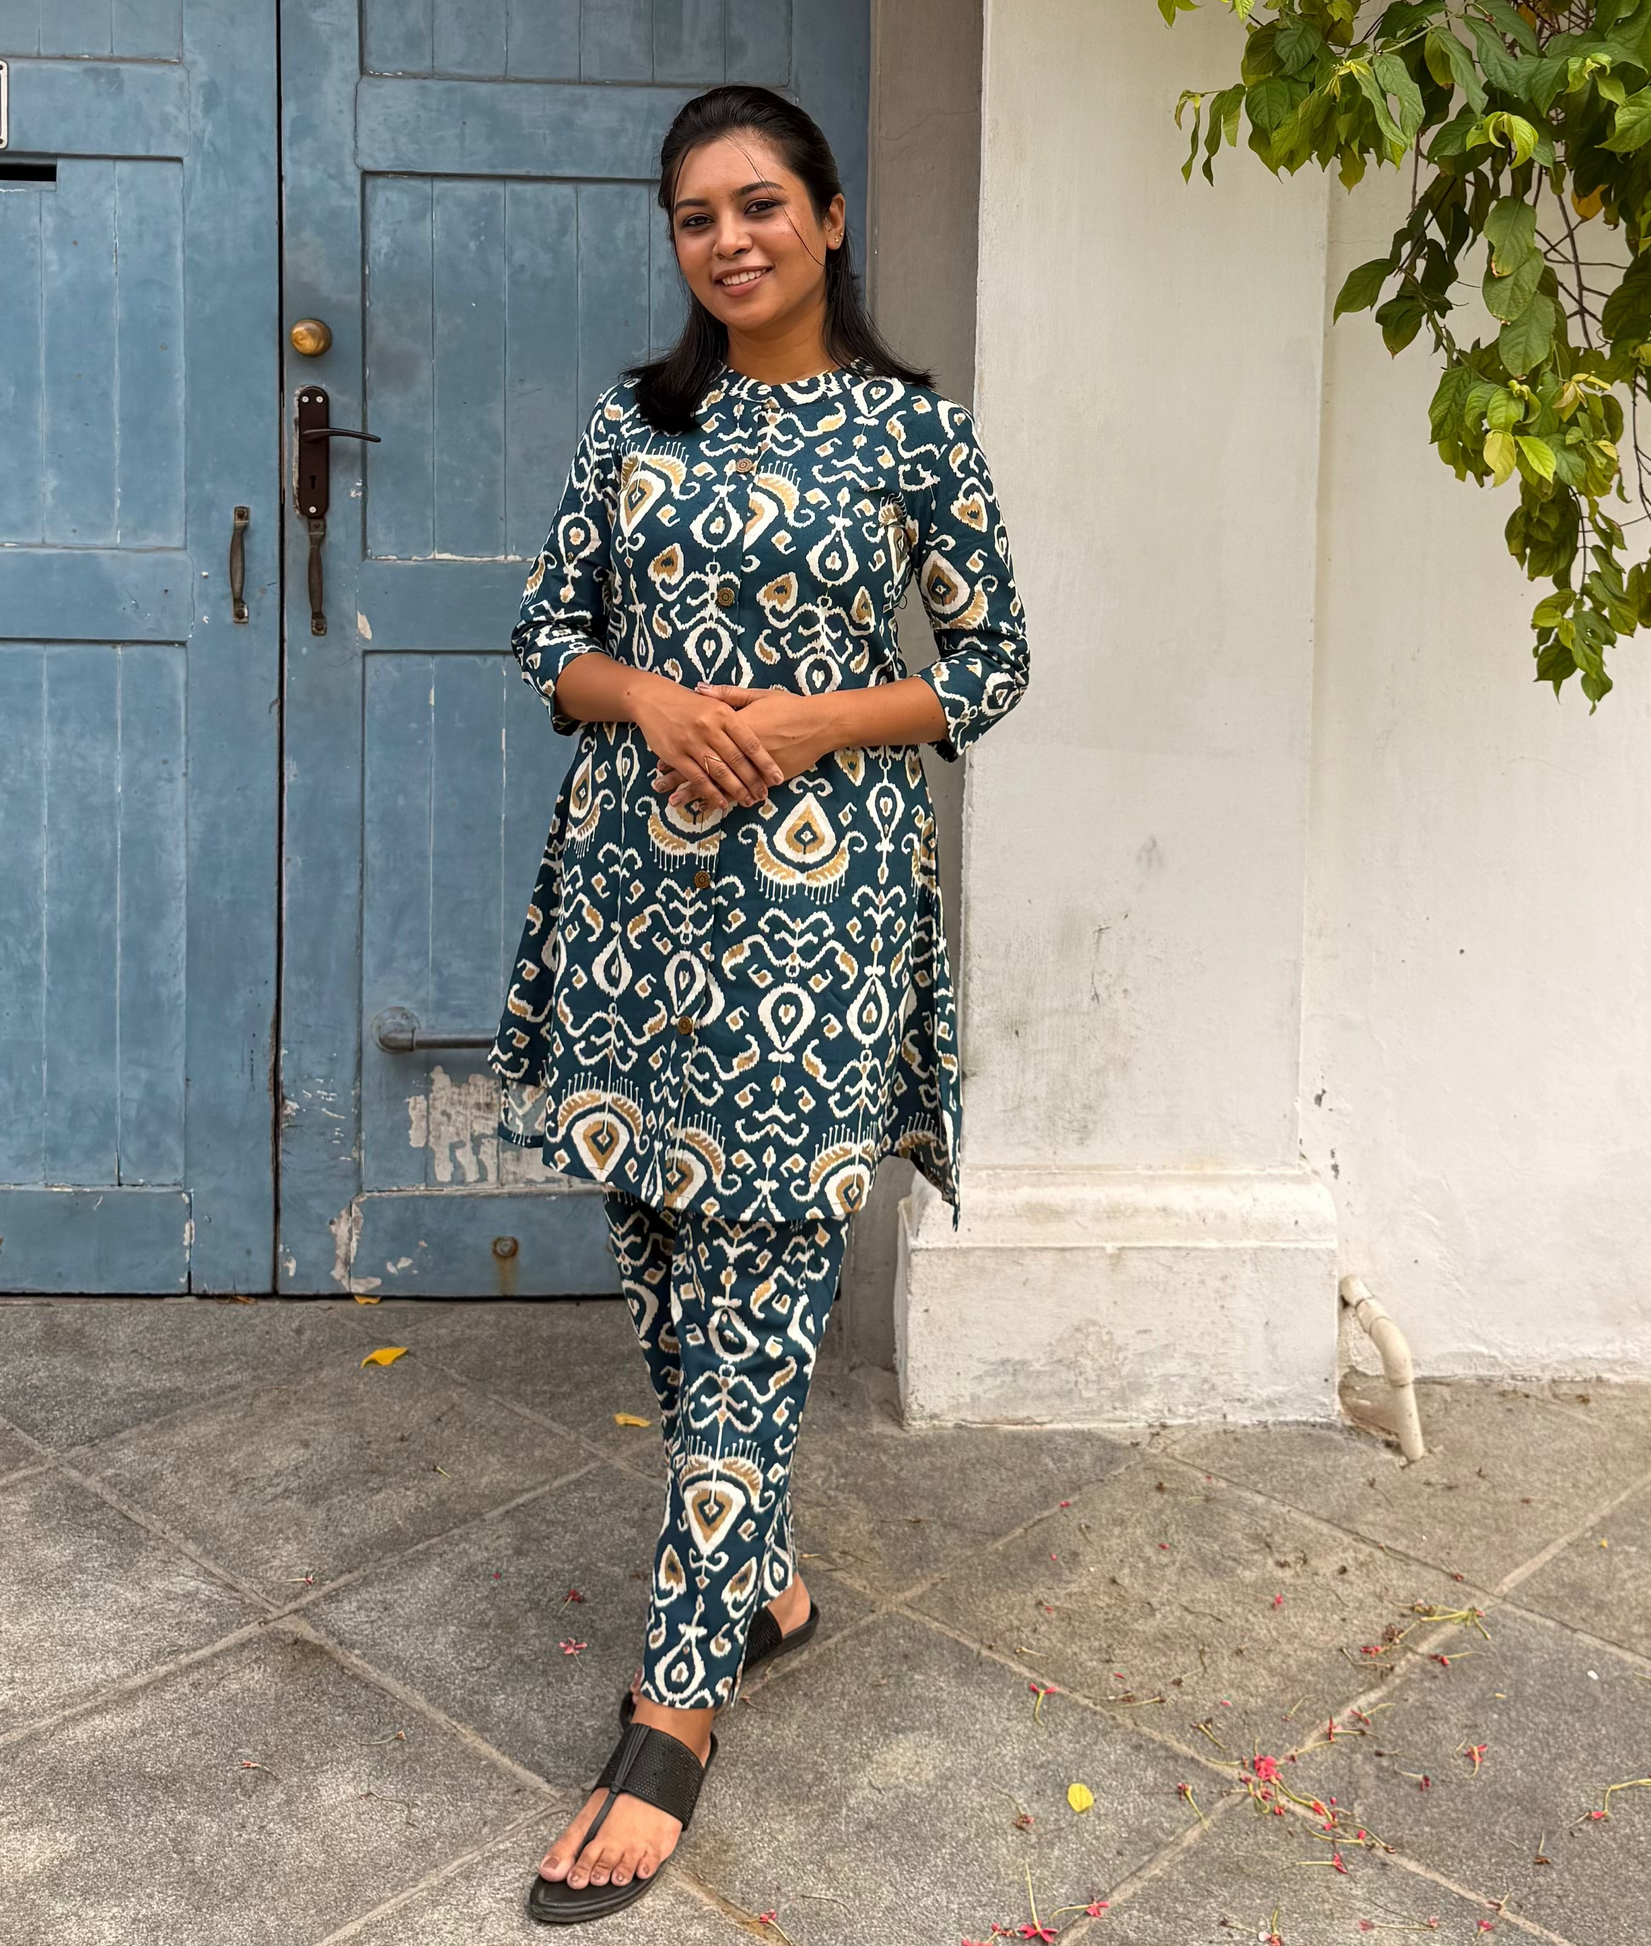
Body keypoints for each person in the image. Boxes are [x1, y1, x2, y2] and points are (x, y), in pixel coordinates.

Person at [488, 82, 1029, 1925]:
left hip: (819, 909)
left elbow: (994, 665)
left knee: (766, 1255)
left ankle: (677, 1702)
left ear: (827, 216)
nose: (727, 237)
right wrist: (647, 699)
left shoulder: (908, 430)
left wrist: (803, 717)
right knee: (659, 1231)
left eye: (758, 204)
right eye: (695, 214)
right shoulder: (635, 426)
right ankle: (768, 1581)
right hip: (643, 891)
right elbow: (543, 637)